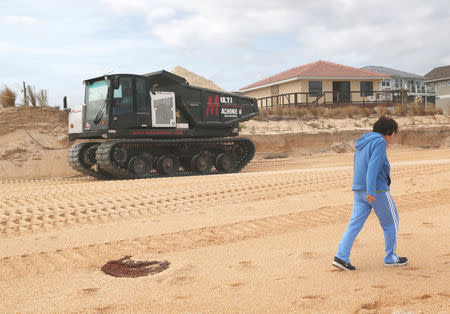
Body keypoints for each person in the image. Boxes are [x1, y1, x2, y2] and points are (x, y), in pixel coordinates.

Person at [332, 116, 407, 270]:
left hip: (358, 189)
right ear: (388, 132)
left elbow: (358, 165)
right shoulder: (380, 142)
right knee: (391, 222)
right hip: (376, 190)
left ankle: (341, 256)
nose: (393, 137)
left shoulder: (363, 142)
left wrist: (361, 188)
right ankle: (391, 258)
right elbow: (373, 167)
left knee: (355, 223)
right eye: (394, 133)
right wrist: (371, 191)